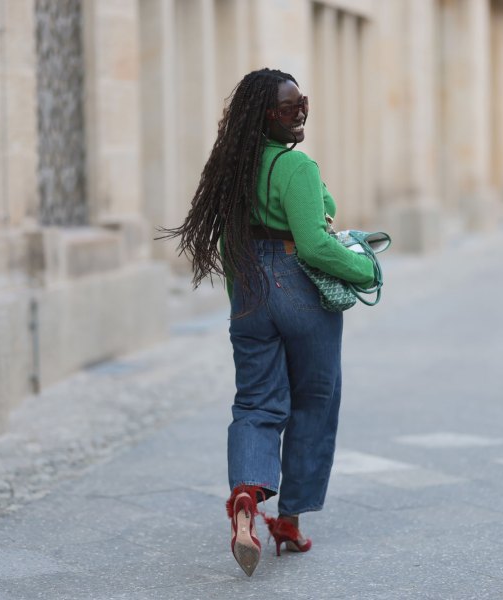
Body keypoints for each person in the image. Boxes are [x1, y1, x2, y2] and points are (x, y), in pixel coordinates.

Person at [161, 68, 375, 577]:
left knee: (256, 402)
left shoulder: (230, 169)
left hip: (250, 291)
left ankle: (244, 501)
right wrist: (364, 269)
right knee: (313, 401)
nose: (300, 112)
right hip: (298, 288)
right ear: (264, 115)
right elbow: (315, 244)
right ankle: (289, 522)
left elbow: (227, 244)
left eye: (303, 102)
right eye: (288, 106)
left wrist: (243, 301)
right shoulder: (295, 167)